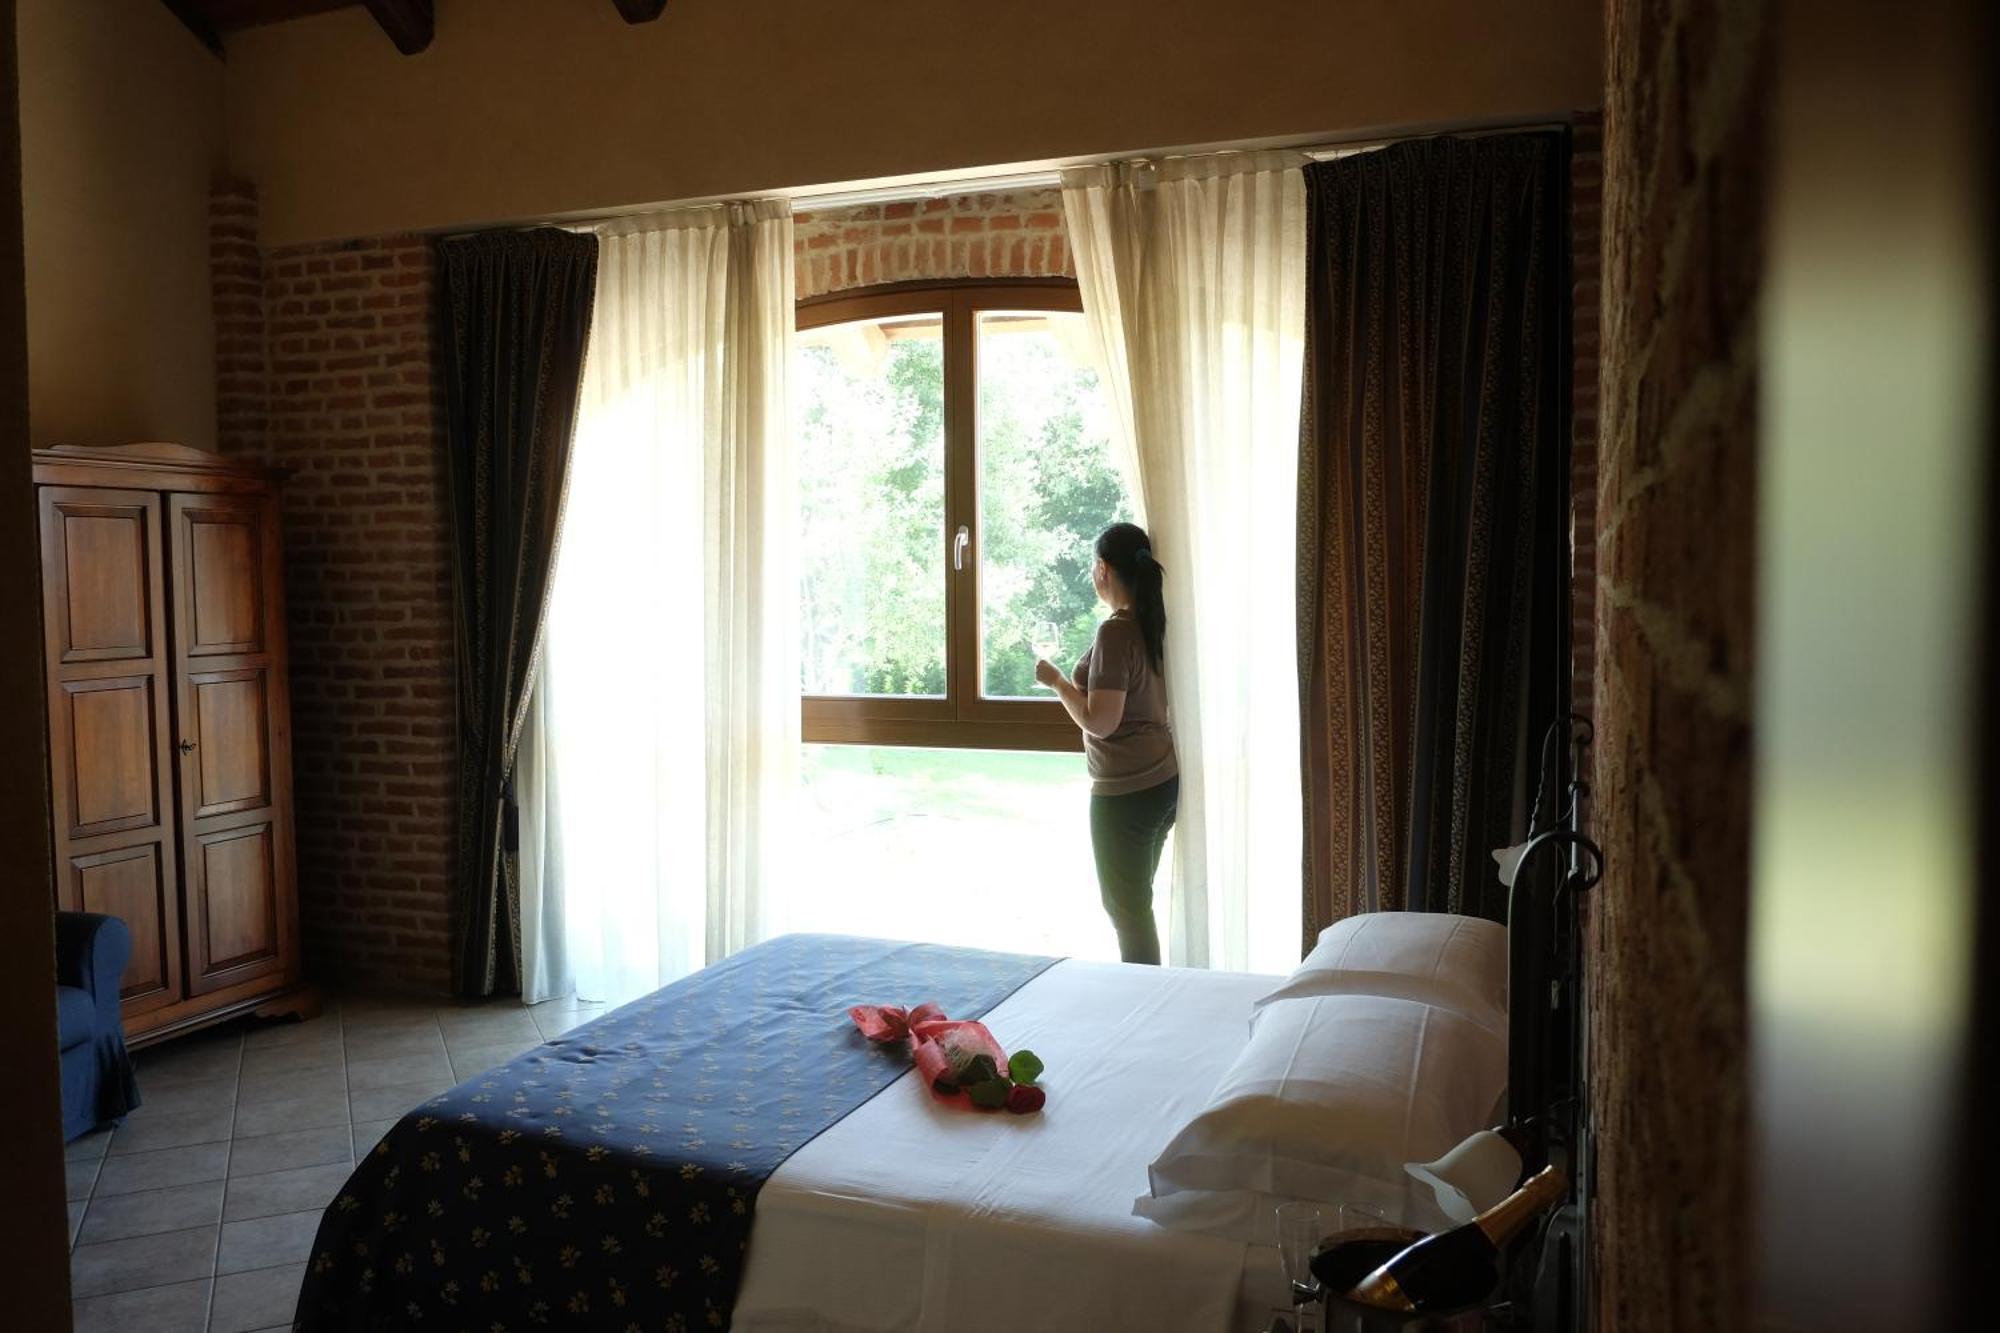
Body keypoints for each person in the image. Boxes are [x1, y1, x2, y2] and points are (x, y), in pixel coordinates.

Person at [1035, 522, 1178, 965]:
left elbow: (1101, 722)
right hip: (1161, 781)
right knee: (1136, 906)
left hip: (1127, 791)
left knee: (1127, 912)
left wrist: (1057, 681)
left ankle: (1145, 997)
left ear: (1103, 569)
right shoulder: (1153, 622)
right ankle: (1147, 990)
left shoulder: (1116, 631)